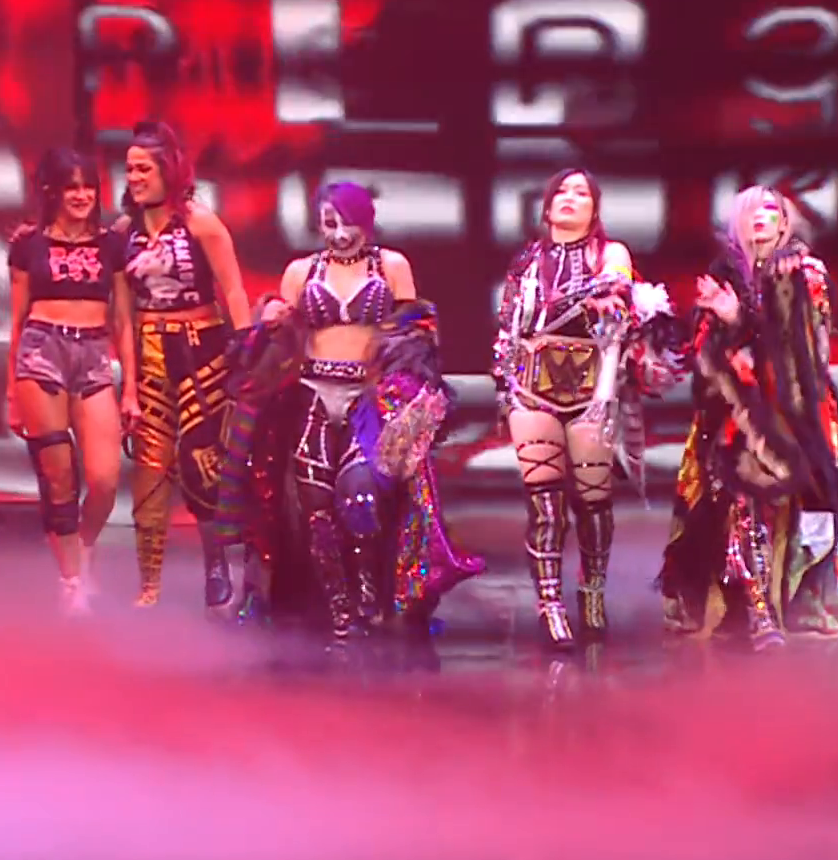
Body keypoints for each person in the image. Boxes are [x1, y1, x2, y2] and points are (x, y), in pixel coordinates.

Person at [212, 182, 483, 650]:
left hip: (367, 399)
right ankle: (340, 614)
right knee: (315, 508)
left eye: (348, 223)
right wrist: (272, 320)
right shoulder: (301, 271)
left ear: (367, 222)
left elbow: (418, 335)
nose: (339, 234)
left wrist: (408, 379)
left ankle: (368, 602)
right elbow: (282, 339)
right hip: (312, 395)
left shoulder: (391, 266)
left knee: (359, 497)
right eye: (329, 224)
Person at [656, 185, 838, 649]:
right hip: (735, 412)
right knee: (740, 502)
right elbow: (706, 354)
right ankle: (757, 611)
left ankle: (790, 604)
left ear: (785, 222)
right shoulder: (723, 275)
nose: (760, 216)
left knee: (800, 511)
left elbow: (804, 352)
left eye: (770, 209)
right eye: (750, 209)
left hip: (795, 413)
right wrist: (728, 321)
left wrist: (747, 317)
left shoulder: (805, 272)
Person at [491, 168, 681, 650]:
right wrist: (505, 387)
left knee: (594, 503)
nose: (569, 198)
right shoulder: (527, 261)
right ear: (546, 206)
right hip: (531, 389)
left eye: (581, 193)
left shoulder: (610, 254)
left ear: (595, 209)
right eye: (561, 191)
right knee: (545, 505)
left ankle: (592, 591)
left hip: (591, 390)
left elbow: (616, 298)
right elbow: (509, 328)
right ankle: (550, 605)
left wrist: (596, 300)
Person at [114, 121, 252, 608]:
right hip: (151, 352)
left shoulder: (201, 223)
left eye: (143, 169)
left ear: (167, 170)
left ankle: (216, 564)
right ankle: (149, 584)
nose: (134, 178)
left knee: (201, 463)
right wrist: (129, 386)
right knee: (149, 470)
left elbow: (233, 290)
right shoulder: (123, 234)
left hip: (201, 352)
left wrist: (246, 354)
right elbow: (123, 316)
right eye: (129, 169)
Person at [5, 148, 134, 615]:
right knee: (58, 475)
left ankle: (83, 546)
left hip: (95, 355)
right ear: (53, 193)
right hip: (42, 351)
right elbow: (17, 319)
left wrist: (132, 388)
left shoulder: (111, 245)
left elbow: (123, 321)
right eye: (71, 188)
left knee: (103, 480)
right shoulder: (28, 244)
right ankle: (72, 580)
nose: (81, 196)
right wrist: (11, 389)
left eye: (88, 187)